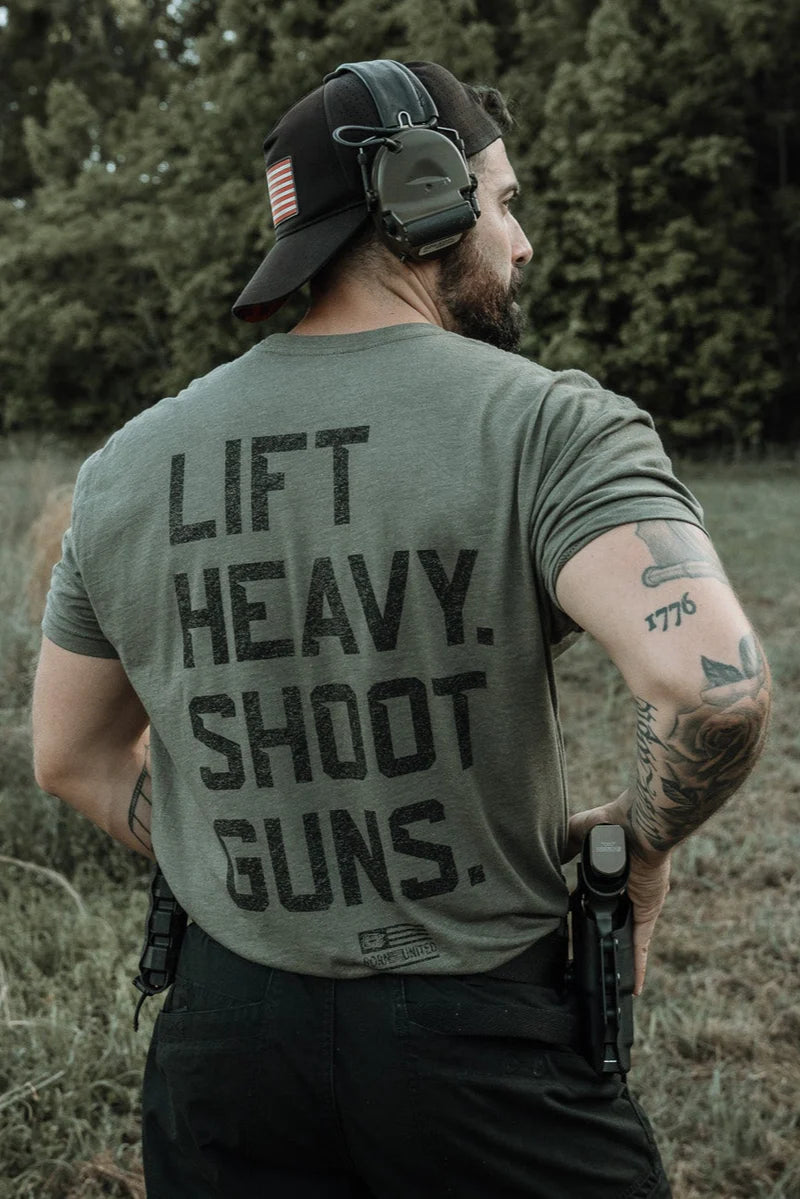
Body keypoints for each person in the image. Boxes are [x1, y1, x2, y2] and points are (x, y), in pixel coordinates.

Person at [32, 59, 771, 1199]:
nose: (517, 241)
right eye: (503, 201)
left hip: (222, 1041)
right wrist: (635, 855)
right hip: (481, 1036)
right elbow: (711, 685)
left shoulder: (123, 468)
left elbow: (70, 755)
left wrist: (240, 856)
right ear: (423, 194)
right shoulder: (546, 425)